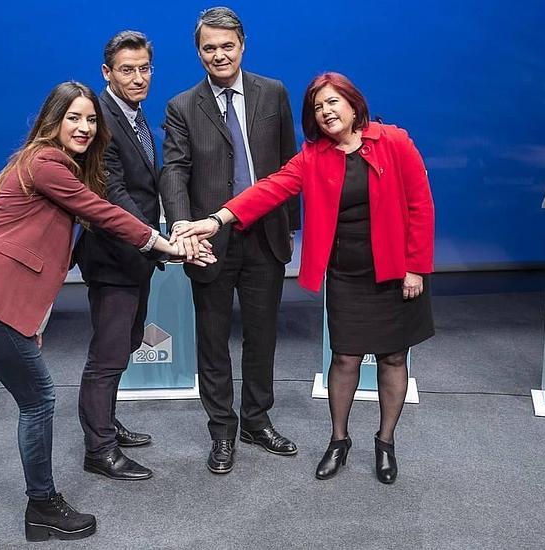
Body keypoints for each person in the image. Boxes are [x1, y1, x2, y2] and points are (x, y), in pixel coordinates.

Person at [0, 81, 213, 542]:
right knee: (38, 400)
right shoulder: (47, 163)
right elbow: (103, 212)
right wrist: (167, 245)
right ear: (53, 120)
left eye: (90, 119)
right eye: (74, 118)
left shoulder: (45, 164)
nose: (84, 127)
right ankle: (42, 505)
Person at [174, 72, 435, 484]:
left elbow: (421, 205)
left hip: (394, 271)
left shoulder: (394, 141)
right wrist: (216, 219)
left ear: (353, 104)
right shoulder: (313, 156)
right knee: (345, 357)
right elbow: (270, 189)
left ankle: (385, 443)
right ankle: (339, 440)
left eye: (333, 102)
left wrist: (416, 266)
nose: (326, 112)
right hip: (346, 273)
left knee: (393, 357)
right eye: (317, 107)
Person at [159, 6, 301, 475]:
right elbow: (174, 169)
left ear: (243, 44)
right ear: (198, 52)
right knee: (213, 340)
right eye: (208, 48)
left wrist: (292, 225)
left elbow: (289, 163)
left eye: (227, 45)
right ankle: (222, 431)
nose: (218, 55)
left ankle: (256, 421)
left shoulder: (274, 92)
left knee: (262, 337)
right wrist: (181, 228)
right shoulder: (182, 106)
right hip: (207, 239)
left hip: (265, 236)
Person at [72, 30, 167, 481]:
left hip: (136, 257)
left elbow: (148, 183)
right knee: (107, 355)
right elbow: (111, 191)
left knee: (125, 345)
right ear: (107, 73)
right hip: (113, 258)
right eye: (127, 70)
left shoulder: (137, 116)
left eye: (144, 68)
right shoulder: (103, 118)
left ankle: (104, 423)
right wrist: (154, 237)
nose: (138, 78)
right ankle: (99, 449)